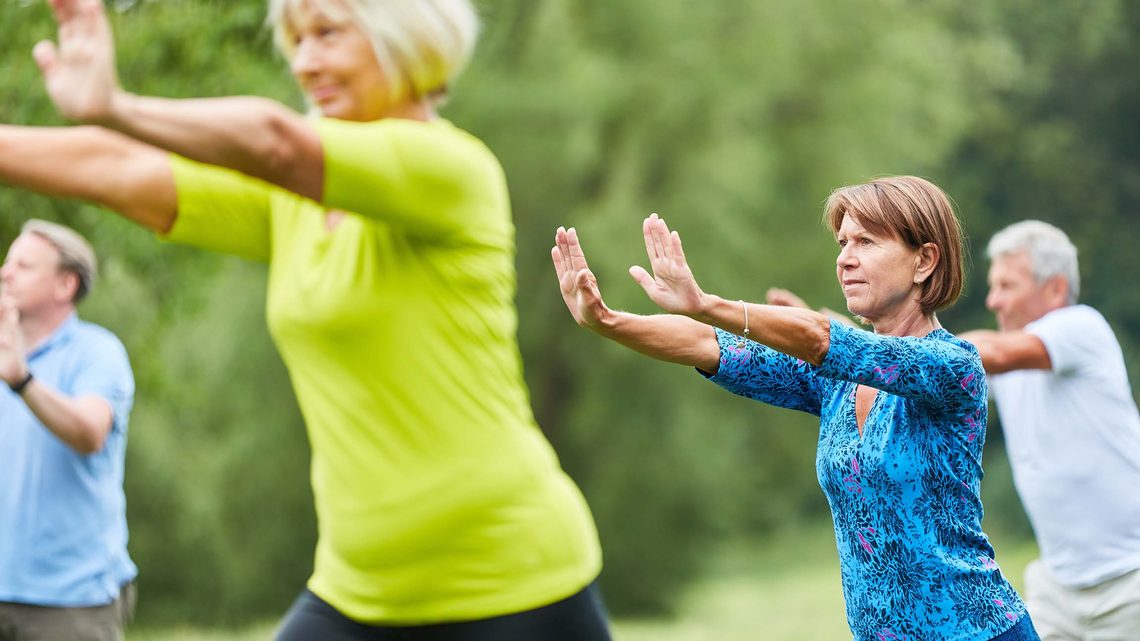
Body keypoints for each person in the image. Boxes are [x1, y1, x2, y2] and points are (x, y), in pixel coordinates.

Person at [0, 0, 611, 639]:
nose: (305, 60)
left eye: (328, 34)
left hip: (513, 582)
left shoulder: (452, 169)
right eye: (296, 40)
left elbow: (274, 140)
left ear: (408, 40)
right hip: (357, 587)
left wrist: (118, 104)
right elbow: (118, 167)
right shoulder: (291, 204)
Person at [553, 176, 1041, 641]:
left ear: (924, 261)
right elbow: (708, 344)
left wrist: (705, 302)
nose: (846, 259)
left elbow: (820, 337)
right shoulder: (836, 383)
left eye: (867, 242)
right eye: (842, 244)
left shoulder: (951, 367)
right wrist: (608, 322)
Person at [958, 221, 1140, 641]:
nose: (993, 300)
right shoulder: (1009, 364)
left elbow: (985, 355)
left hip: (1129, 582)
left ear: (1055, 289)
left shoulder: (1081, 327)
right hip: (1055, 589)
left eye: (1007, 285)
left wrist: (876, 348)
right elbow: (922, 376)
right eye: (993, 286)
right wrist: (844, 341)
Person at [0, 219, 136, 641]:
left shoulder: (98, 352)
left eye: (24, 265)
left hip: (70, 600)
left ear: (65, 285)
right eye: (7, 262)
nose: (5, 272)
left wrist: (22, 379)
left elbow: (89, 432)